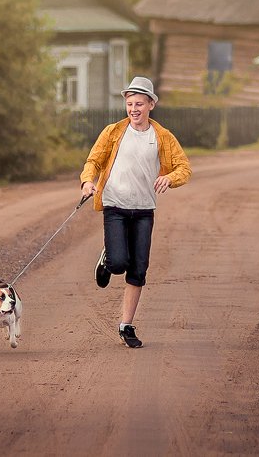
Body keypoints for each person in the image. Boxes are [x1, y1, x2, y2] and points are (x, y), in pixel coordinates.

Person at [80, 76, 191, 348]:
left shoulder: (162, 137)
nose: (134, 109)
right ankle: (108, 258)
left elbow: (184, 168)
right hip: (115, 206)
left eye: (139, 103)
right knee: (119, 263)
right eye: (130, 104)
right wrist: (87, 181)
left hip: (144, 211)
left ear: (151, 104)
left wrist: (170, 178)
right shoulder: (114, 131)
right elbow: (94, 160)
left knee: (138, 270)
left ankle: (126, 326)